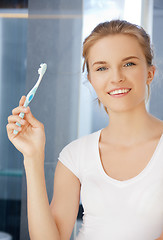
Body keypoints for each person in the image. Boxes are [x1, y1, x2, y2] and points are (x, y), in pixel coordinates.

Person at [6, 19, 163, 240]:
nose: (116, 77)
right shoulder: (75, 155)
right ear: (90, 79)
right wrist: (32, 157)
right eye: (102, 68)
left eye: (129, 64)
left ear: (150, 72)